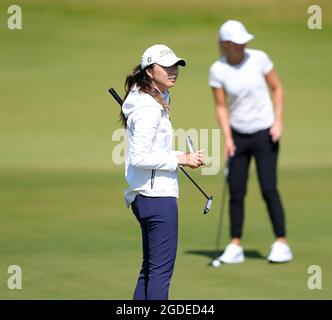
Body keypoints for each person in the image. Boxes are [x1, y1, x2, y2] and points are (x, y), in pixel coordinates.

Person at [121, 44, 204, 300]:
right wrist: (182, 158)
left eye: (175, 66)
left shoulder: (153, 97)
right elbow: (139, 157)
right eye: (166, 66)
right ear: (149, 71)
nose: (173, 71)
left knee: (150, 270)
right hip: (157, 198)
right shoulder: (147, 108)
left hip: (145, 196)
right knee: (159, 273)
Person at [209, 20, 293, 264]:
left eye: (244, 40)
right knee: (236, 189)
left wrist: (278, 121)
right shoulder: (218, 69)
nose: (242, 45)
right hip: (238, 134)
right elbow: (221, 106)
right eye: (237, 42)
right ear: (226, 44)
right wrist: (227, 138)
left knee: (269, 187)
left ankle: (281, 242)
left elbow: (277, 89)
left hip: (265, 132)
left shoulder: (259, 59)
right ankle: (235, 245)